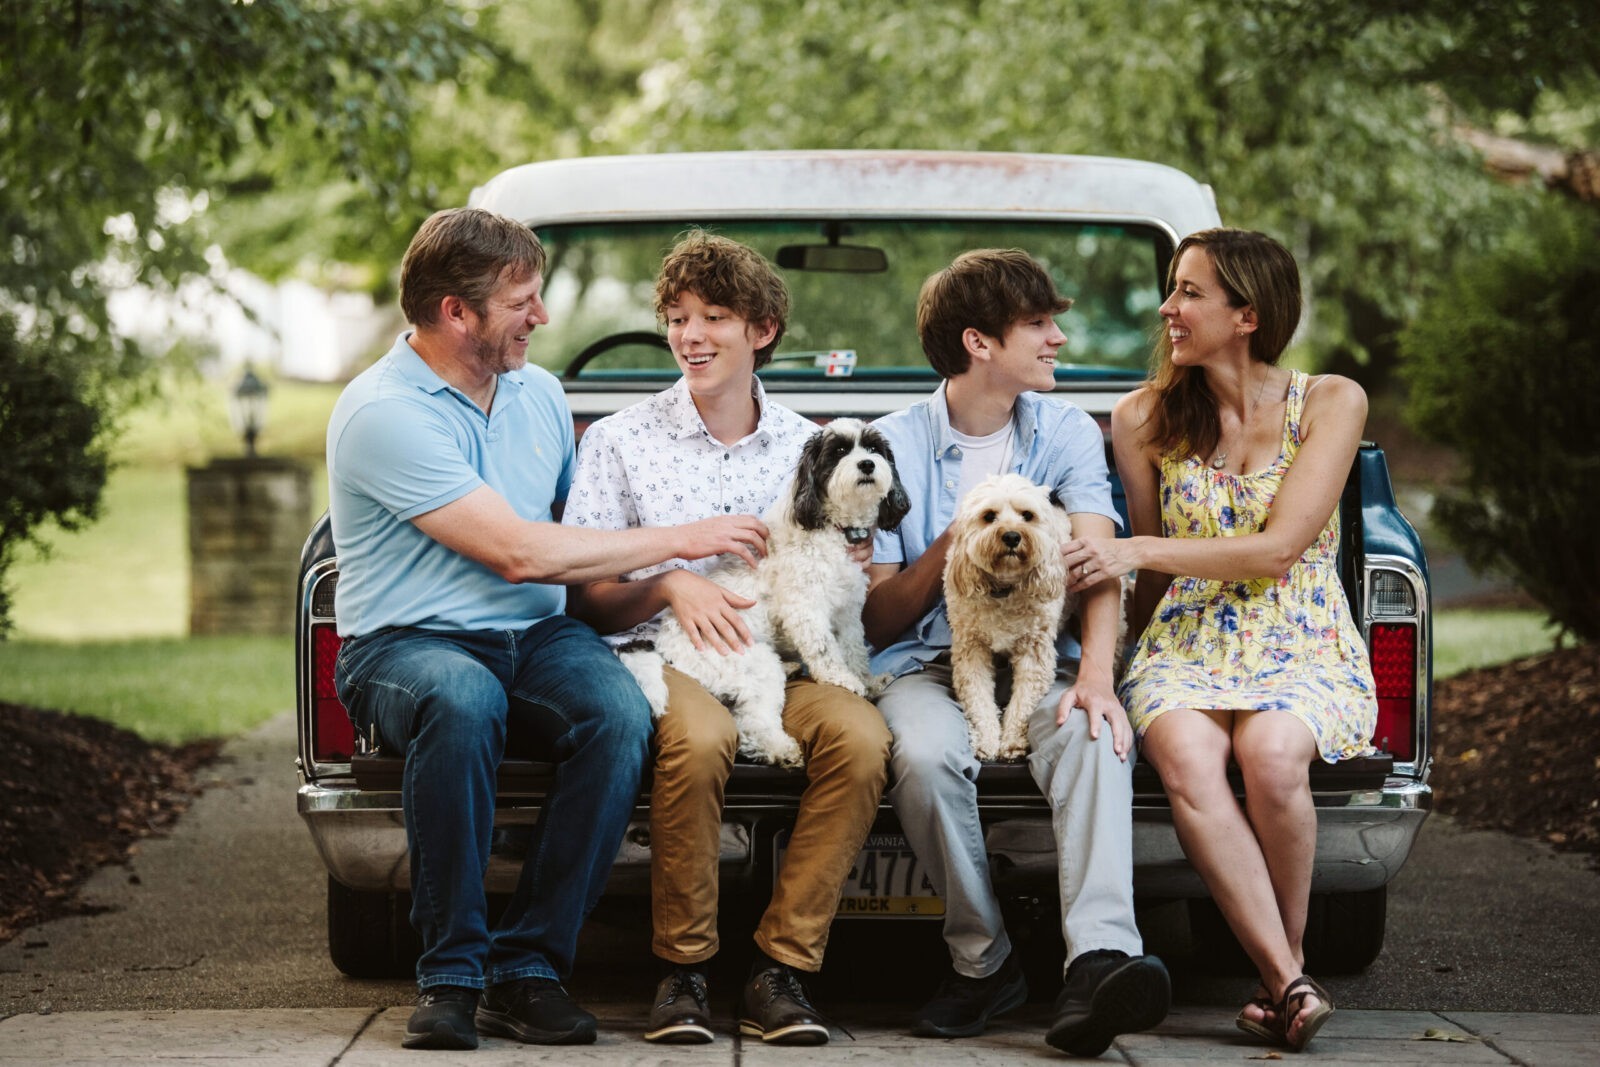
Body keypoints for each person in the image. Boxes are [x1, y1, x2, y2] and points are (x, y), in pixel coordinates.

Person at [327, 209, 768, 1051]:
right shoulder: (383, 412)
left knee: (617, 712)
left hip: (532, 637)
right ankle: (451, 975)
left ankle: (528, 967)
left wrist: (665, 572)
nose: (542, 316)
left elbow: (580, 532)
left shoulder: (539, 392)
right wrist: (685, 539)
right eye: (523, 301)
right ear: (457, 313)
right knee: (461, 699)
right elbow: (523, 553)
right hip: (406, 644)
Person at [563, 232, 891, 1046]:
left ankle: (784, 966)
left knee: (860, 739)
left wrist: (861, 564)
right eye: (677, 317)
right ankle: (683, 969)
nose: (691, 335)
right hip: (662, 648)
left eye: (715, 316)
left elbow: (847, 570)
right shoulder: (619, 439)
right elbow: (586, 599)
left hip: (782, 651)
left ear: (764, 329)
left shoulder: (810, 448)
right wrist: (672, 575)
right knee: (700, 739)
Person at [1067, 228, 1376, 1052]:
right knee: (1192, 760)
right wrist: (1116, 659)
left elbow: (1278, 551)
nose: (1168, 308)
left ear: (1247, 312)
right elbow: (1160, 586)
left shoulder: (1331, 400)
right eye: (1173, 289)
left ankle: (1287, 969)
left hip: (1300, 630)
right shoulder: (1141, 416)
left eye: (1189, 292)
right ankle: (1288, 981)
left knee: (1273, 758)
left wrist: (1135, 551)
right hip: (1187, 639)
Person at [864, 249, 1171, 1056]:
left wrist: (1098, 676)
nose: (1058, 337)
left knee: (1093, 732)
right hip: (927, 659)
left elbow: (1100, 560)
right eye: (1038, 323)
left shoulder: (1067, 429)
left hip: (1045, 649)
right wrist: (964, 532)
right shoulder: (887, 445)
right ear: (979, 343)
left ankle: (1100, 958)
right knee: (925, 758)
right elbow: (880, 616)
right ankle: (982, 959)